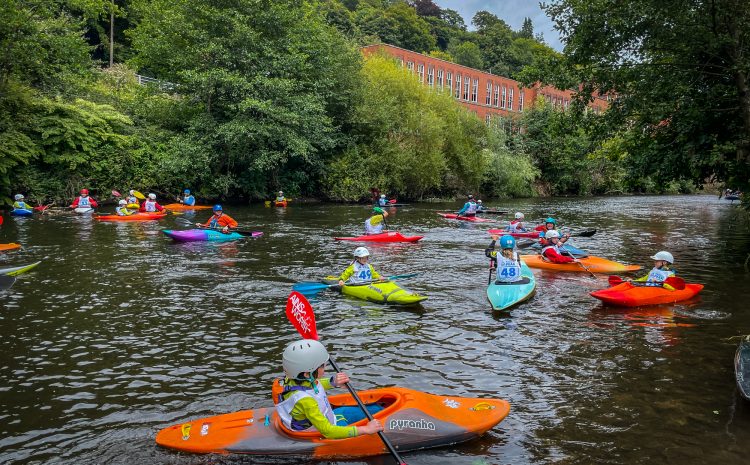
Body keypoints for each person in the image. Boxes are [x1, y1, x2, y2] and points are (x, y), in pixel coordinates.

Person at [275, 339, 384, 438]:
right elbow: (328, 431)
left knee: (376, 409)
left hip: (331, 416)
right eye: (322, 366)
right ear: (307, 374)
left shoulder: (295, 378)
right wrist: (365, 429)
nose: (325, 367)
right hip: (321, 431)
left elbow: (314, 385)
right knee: (373, 421)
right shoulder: (306, 401)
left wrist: (333, 382)